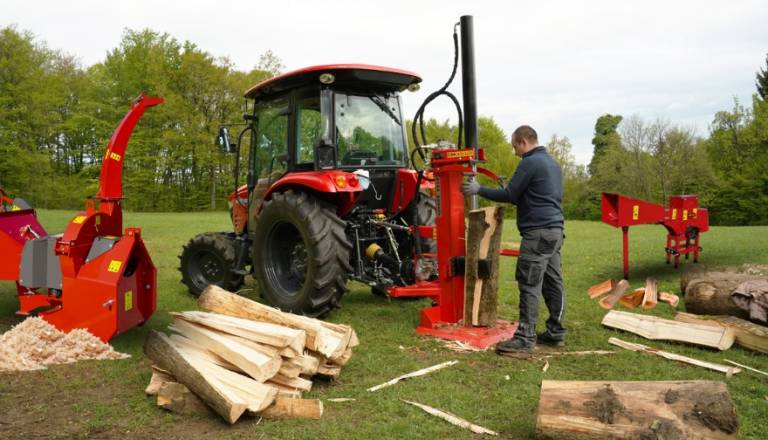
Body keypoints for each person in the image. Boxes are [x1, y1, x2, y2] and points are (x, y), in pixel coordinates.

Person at [461, 125, 566, 355]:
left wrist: (478, 189)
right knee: (553, 282)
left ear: (523, 142)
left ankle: (525, 339)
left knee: (529, 282)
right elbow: (534, 196)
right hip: (555, 231)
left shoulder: (530, 162)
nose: (514, 152)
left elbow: (510, 195)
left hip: (537, 233)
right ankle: (556, 332)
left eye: (514, 146)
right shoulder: (552, 163)